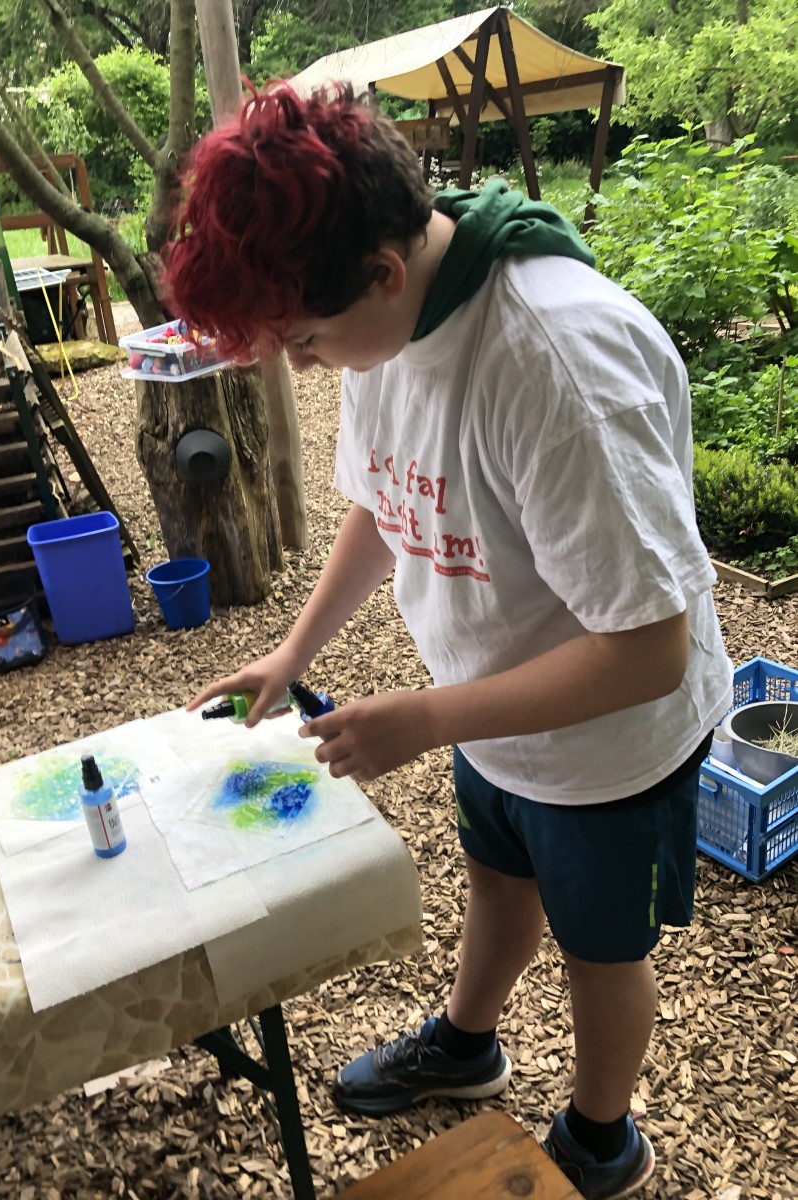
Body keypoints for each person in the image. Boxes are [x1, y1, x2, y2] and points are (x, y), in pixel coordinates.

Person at [164, 82, 732, 1200]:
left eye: (307, 341)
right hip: (495, 709)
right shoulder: (387, 328)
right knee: (497, 884)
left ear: (383, 270)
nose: (303, 366)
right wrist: (293, 653)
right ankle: (468, 1046)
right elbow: (385, 504)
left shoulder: (557, 366)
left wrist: (424, 718)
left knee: (602, 953)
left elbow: (648, 649)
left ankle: (602, 1138)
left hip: (611, 748)